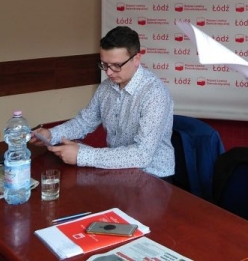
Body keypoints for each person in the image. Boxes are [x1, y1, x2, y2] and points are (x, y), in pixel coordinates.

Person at [31, 26, 175, 180]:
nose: (109, 72)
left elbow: (142, 154)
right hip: (117, 170)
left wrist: (82, 155)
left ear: (136, 59)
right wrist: (51, 134)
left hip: (153, 176)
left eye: (116, 65)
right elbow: (84, 122)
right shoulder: (106, 87)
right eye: (104, 64)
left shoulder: (154, 93)